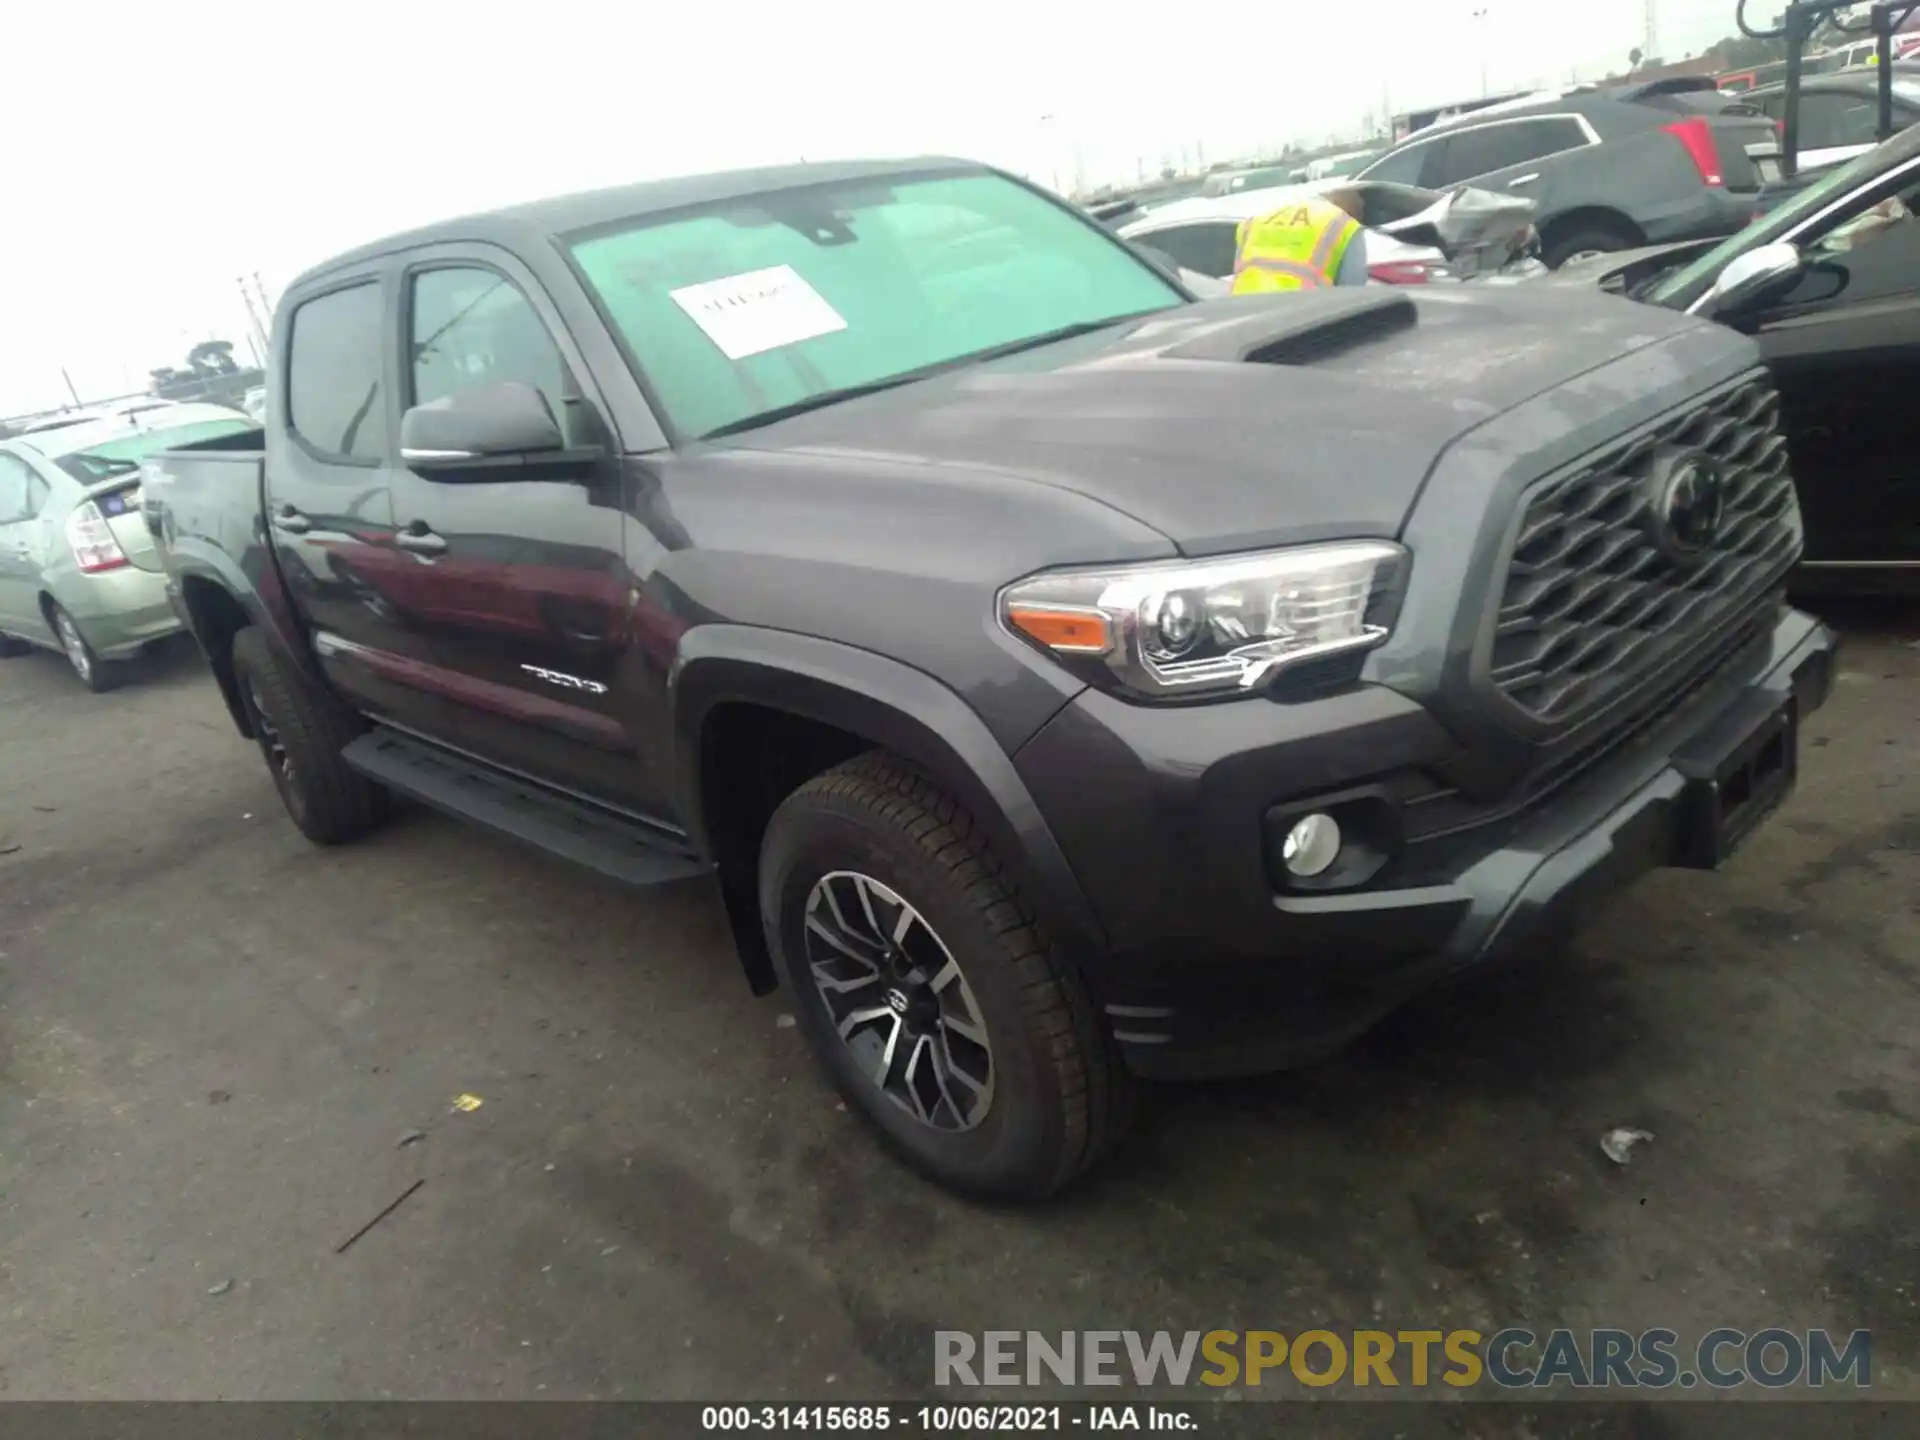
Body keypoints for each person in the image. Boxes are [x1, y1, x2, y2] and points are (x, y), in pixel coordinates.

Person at [1229, 188, 1369, 293]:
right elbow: (1352, 295)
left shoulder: (1257, 220)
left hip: (1243, 316)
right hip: (1299, 319)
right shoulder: (1344, 225)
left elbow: (1240, 274)